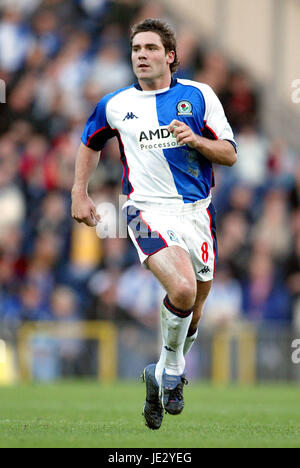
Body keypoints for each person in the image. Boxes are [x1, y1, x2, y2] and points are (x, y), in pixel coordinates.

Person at [71, 18, 237, 430]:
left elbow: (230, 153)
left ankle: (159, 372)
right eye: (135, 49)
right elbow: (89, 141)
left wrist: (196, 141)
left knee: (194, 312)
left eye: (149, 48)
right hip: (142, 210)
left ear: (170, 56)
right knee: (180, 289)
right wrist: (79, 191)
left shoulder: (199, 95)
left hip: (197, 213)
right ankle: (175, 372)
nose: (141, 56)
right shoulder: (114, 104)